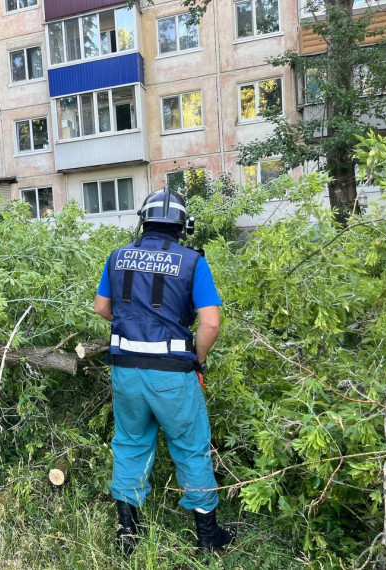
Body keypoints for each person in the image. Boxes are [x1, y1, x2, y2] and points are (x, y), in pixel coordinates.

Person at [93, 188, 236, 556]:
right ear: (182, 226)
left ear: (144, 220)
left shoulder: (118, 256)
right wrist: (196, 360)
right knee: (190, 447)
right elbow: (210, 324)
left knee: (130, 443)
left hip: (125, 368)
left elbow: (101, 308)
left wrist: (130, 323)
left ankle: (128, 532)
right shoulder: (192, 262)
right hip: (172, 372)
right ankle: (208, 537)